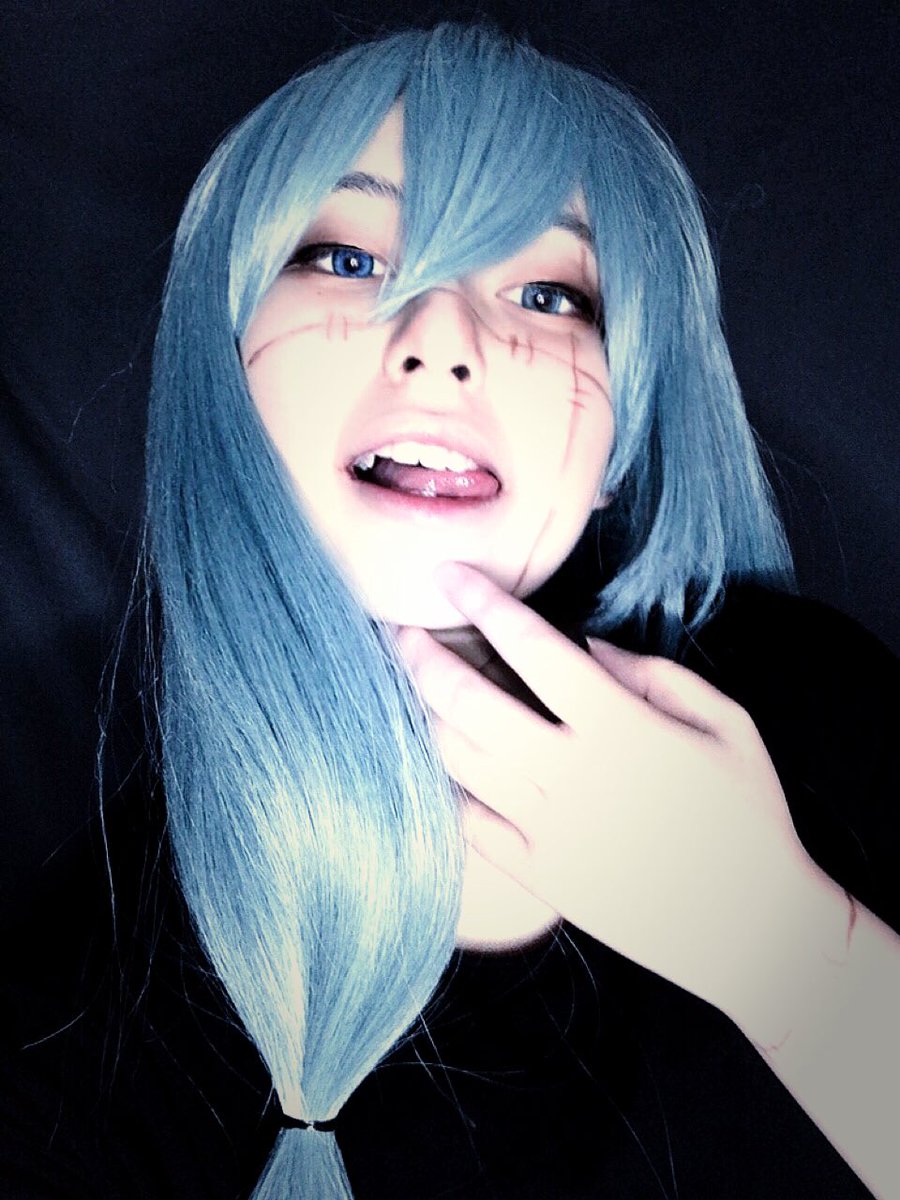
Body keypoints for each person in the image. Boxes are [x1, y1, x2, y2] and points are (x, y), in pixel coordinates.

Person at [2, 20, 898, 1200]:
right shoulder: (80, 1004)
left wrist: (780, 948)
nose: (441, 342)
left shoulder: (824, 715)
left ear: (625, 430)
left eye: (547, 292)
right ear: (224, 367)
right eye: (349, 259)